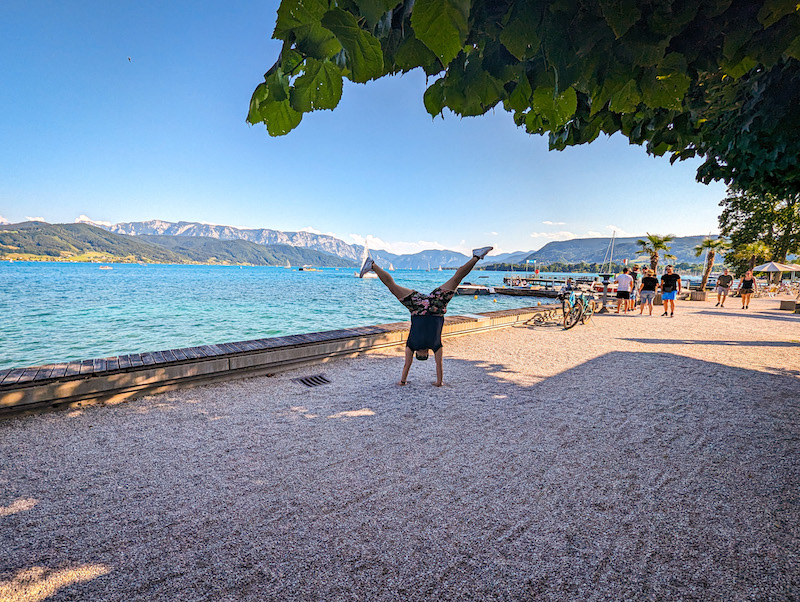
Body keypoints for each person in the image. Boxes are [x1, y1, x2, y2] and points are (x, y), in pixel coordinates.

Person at [360, 246, 493, 387]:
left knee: (456, 278)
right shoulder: (415, 346)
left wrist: (437, 382)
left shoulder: (433, 346)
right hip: (422, 306)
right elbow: (409, 365)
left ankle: (477, 256)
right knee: (393, 286)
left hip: (432, 306)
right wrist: (405, 381)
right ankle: (372, 264)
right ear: (420, 353)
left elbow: (431, 365)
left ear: (423, 354)